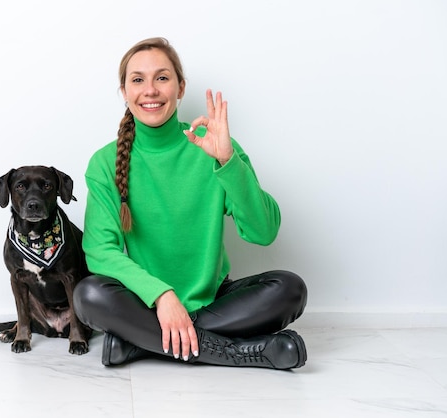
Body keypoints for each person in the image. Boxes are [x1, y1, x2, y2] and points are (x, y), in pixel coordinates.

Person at [73, 37, 307, 369]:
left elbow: (264, 231)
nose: (150, 90)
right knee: (89, 295)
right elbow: (100, 251)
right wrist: (162, 296)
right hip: (146, 303)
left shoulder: (216, 147)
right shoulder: (104, 162)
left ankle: (143, 343)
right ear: (124, 92)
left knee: (290, 288)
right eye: (137, 79)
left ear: (180, 88)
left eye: (162, 78)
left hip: (214, 301)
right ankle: (240, 353)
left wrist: (228, 162)